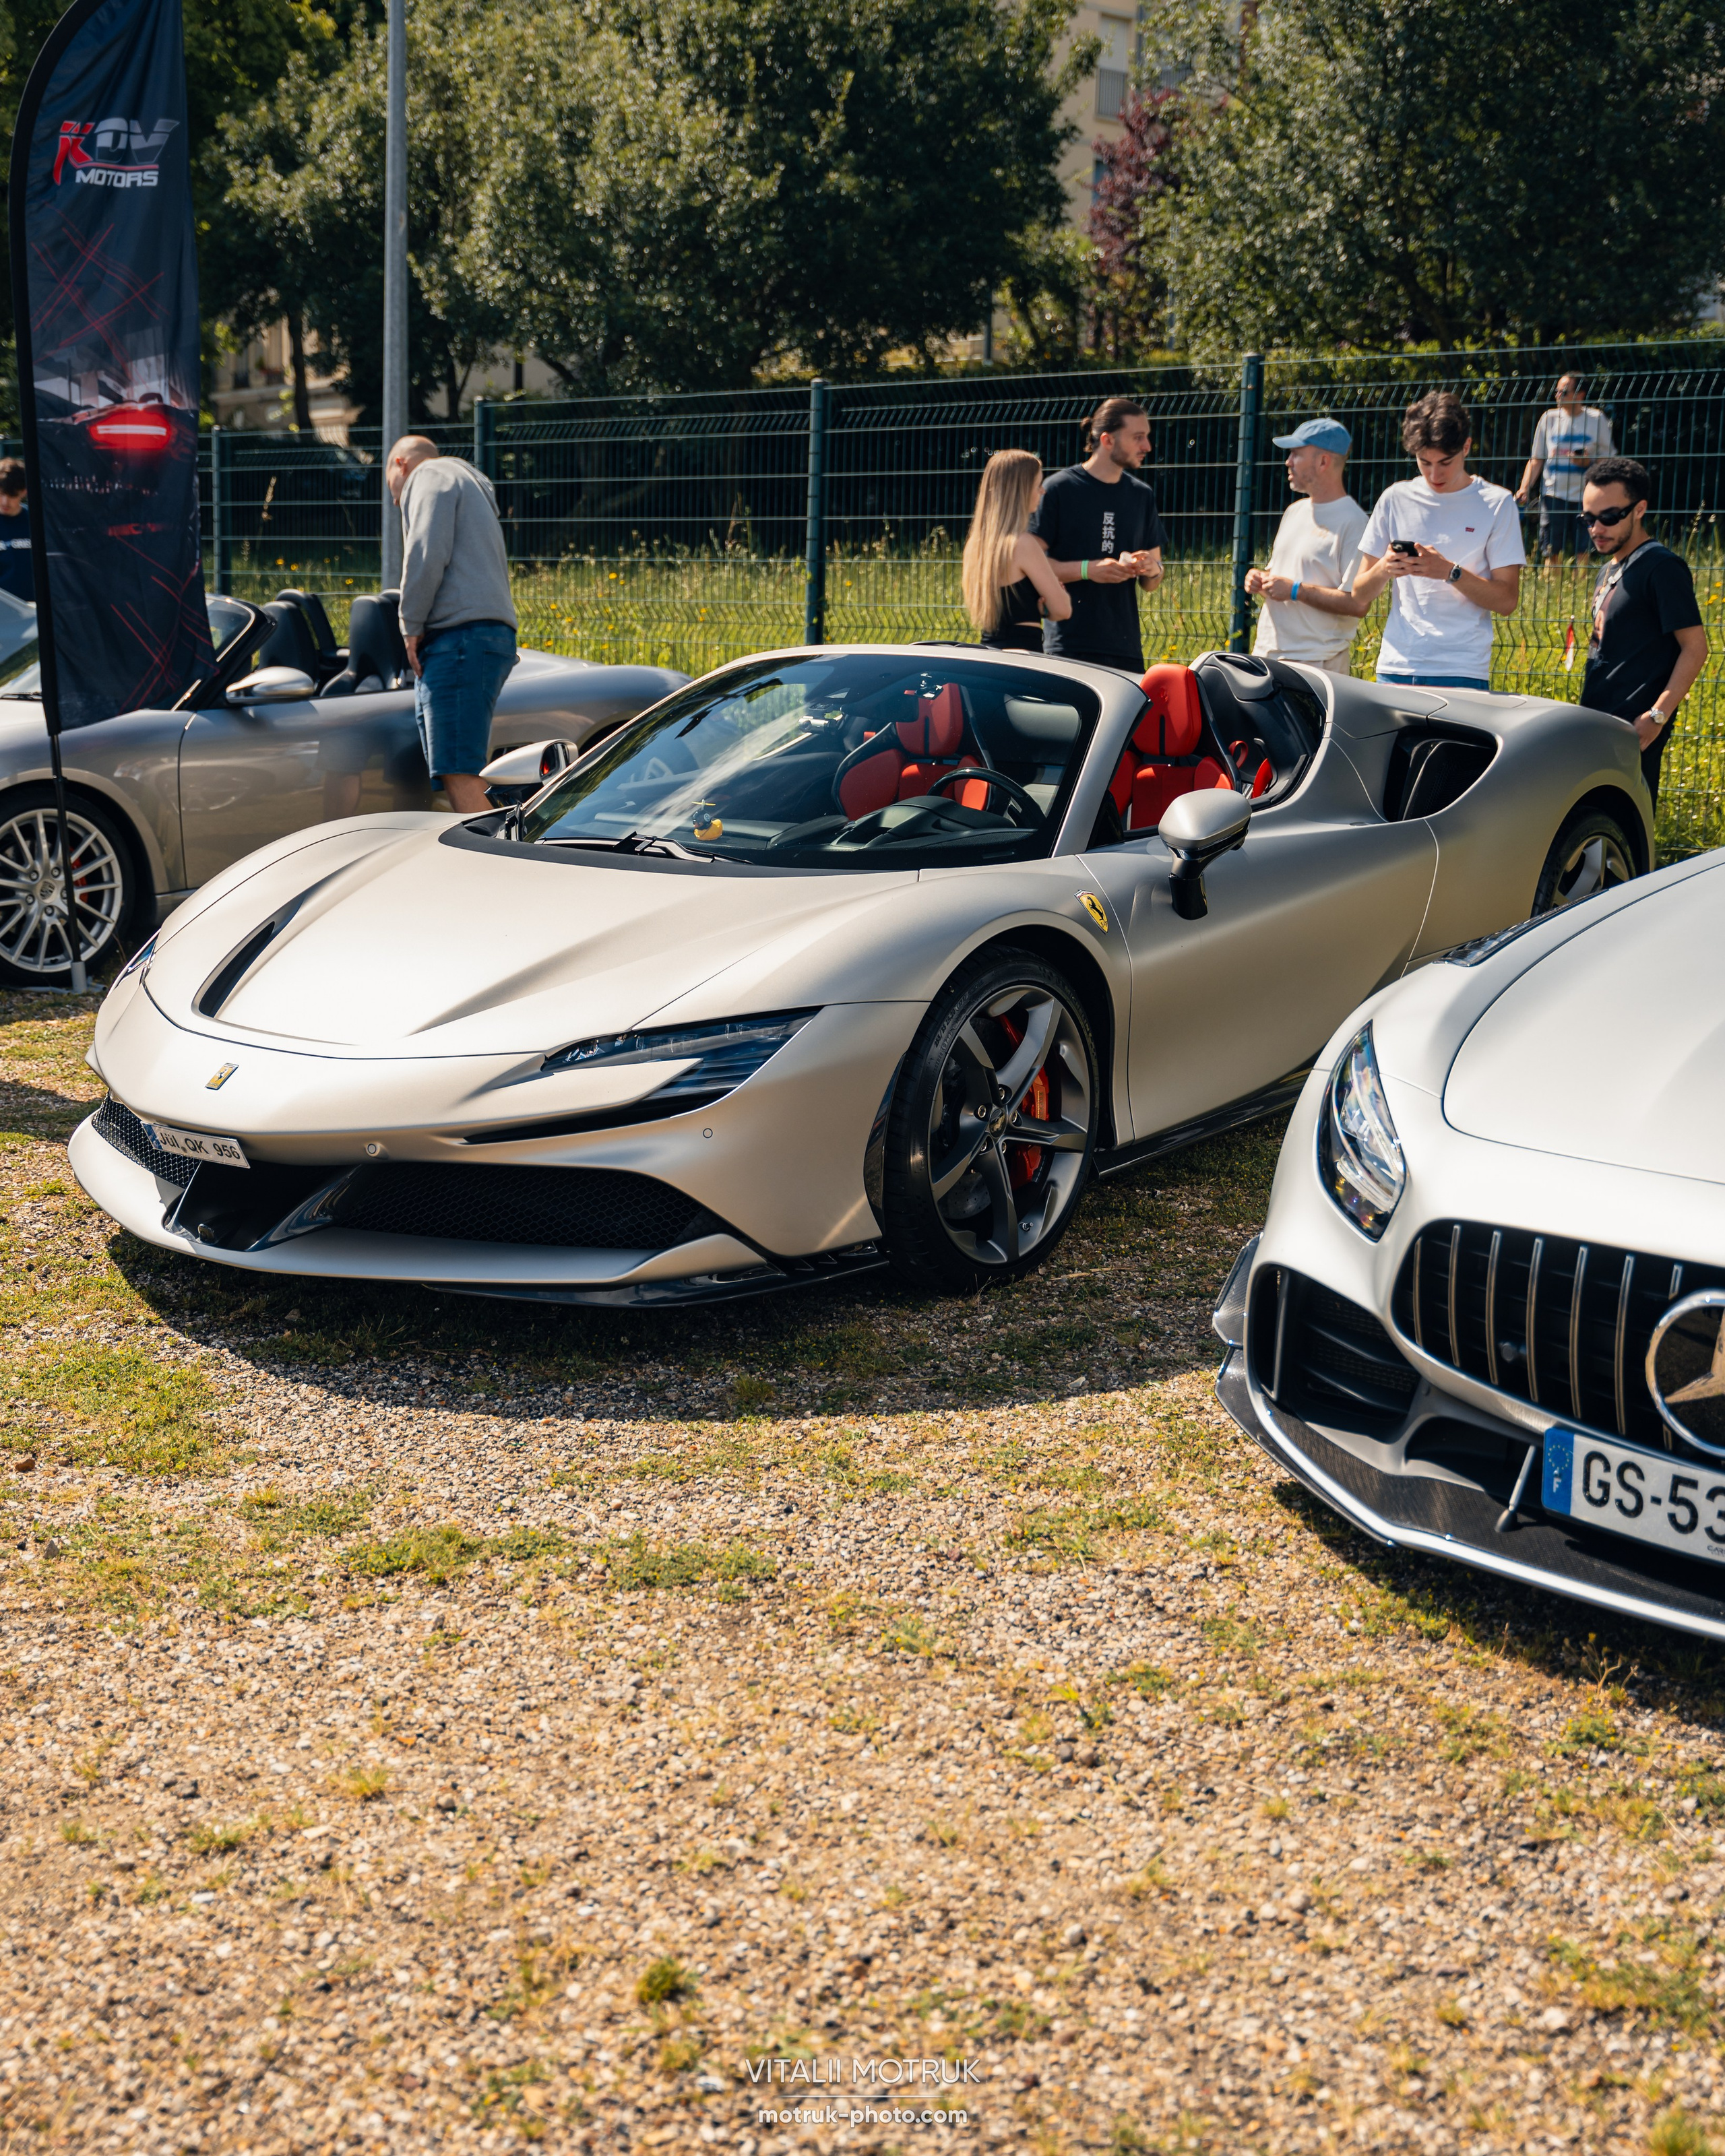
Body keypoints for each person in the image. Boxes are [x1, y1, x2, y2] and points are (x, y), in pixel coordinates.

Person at [1352, 392, 1524, 691]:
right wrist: (1385, 567)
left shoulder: (1497, 503)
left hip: (1462, 670)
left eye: (1445, 462)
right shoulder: (1395, 498)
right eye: (1424, 461)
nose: (1434, 473)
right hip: (1397, 667)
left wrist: (1448, 572)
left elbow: (1507, 601)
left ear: (1467, 447)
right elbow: (1359, 593)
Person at [386, 435, 518, 815]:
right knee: (456, 764)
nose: (397, 501)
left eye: (393, 491)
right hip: (483, 634)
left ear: (401, 464)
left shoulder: (430, 474)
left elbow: (426, 551)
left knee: (459, 769)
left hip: (459, 637)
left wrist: (409, 625)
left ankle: (488, 865)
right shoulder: (468, 483)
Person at [1578, 455, 1708, 814]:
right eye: (1588, 519)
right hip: (1598, 723)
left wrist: (1656, 717)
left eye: (1608, 517)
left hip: (1635, 732)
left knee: (1626, 830)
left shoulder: (1662, 568)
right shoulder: (1610, 567)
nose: (1596, 528)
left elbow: (1695, 648)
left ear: (1639, 510)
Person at [1028, 395, 1166, 673]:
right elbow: (1032, 566)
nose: (1147, 447)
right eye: (1138, 437)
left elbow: (1153, 582)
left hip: (1124, 647)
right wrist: (1087, 570)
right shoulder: (1058, 489)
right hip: (1067, 644)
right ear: (1107, 440)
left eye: (1147, 437)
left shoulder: (1142, 495)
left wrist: (1151, 569)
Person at [1242, 418, 1369, 676]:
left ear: (1323, 462)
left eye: (1297, 454)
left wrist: (1295, 590)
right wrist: (1259, 579)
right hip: (1267, 657)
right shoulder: (1294, 512)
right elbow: (1282, 579)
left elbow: (1357, 603)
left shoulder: (1355, 523)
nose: (1288, 462)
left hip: (1317, 667)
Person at [960, 449, 1071, 652]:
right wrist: (1047, 607)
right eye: (1038, 485)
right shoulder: (1023, 544)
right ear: (1021, 489)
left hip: (989, 653)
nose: (1042, 491)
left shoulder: (975, 545)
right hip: (1023, 656)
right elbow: (1063, 610)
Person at [1515, 375, 1614, 561]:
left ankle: (1580, 588)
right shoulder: (1548, 419)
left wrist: (1587, 464)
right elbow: (1536, 459)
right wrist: (1524, 488)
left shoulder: (1597, 419)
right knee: (1551, 550)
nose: (1558, 395)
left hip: (1586, 497)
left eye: (1564, 391)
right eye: (1557, 391)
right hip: (1553, 495)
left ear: (1580, 395)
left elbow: (1606, 459)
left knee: (1583, 549)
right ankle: (1551, 588)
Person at [0, 459, 33, 605]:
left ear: (24, 491)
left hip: (33, 609)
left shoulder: (36, 522)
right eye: (1, 494)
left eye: (12, 496)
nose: (5, 502)